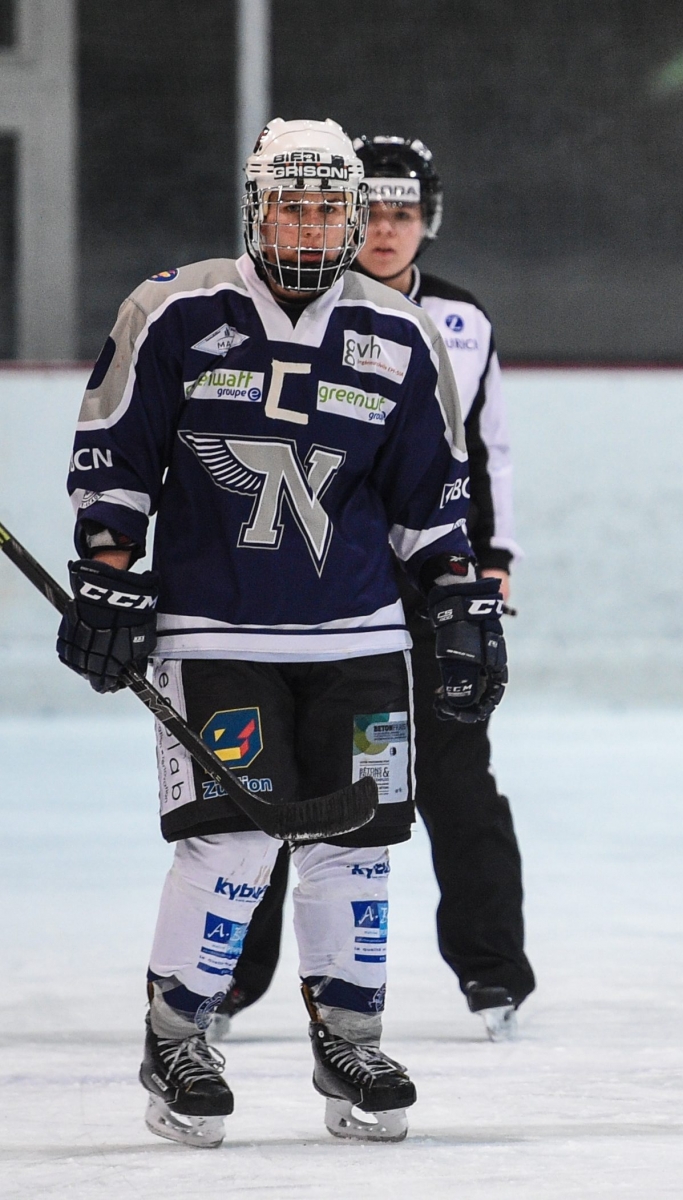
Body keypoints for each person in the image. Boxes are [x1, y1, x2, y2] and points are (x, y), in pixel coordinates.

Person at [58, 117, 507, 1147]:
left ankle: (350, 1038)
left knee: (359, 846)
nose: (312, 224)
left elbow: (430, 501)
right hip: (216, 634)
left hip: (357, 636)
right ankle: (179, 1037)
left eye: (329, 206)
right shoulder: (175, 309)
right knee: (231, 844)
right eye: (293, 204)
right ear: (258, 209)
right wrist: (109, 579)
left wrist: (460, 600)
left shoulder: (400, 336)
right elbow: (113, 462)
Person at [208, 134, 532, 1044]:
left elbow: (483, 450)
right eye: (375, 211)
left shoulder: (462, 321)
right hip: (325, 582)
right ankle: (232, 975)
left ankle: (493, 973)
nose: (388, 231)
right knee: (276, 780)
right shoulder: (285, 311)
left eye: (406, 212)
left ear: (431, 218)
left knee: (457, 781)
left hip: (433, 582)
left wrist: (489, 561)